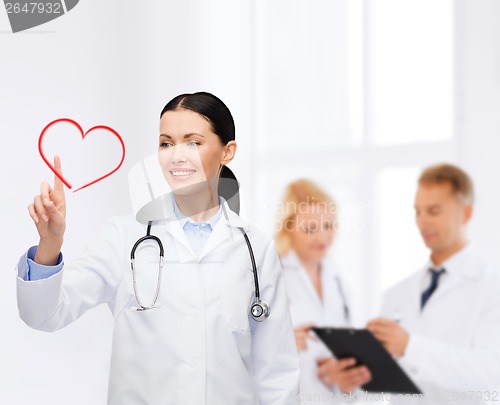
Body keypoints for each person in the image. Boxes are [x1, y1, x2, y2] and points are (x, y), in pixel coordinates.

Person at [17, 92, 300, 405]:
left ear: (227, 151)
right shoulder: (124, 235)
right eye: (166, 143)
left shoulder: (255, 249)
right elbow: (44, 315)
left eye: (193, 142)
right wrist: (50, 244)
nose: (176, 156)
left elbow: (277, 372)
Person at [367, 163, 500, 403]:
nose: (422, 222)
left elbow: (491, 373)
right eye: (418, 211)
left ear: (466, 213)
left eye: (434, 211)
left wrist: (410, 347)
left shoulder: (492, 286)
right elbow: (380, 385)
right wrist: (353, 378)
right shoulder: (396, 293)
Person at [275, 179, 371, 403]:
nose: (323, 238)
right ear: (288, 227)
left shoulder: (337, 280)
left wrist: (339, 372)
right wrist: (278, 343)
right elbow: (239, 353)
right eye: (310, 229)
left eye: (329, 226)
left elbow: (342, 352)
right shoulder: (267, 276)